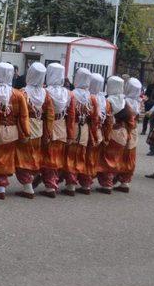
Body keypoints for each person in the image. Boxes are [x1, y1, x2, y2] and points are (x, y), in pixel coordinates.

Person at [0, 62, 31, 199]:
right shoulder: (17, 94)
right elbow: (23, 116)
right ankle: (25, 186)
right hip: (12, 132)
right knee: (8, 158)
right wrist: (26, 132)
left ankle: (0, 188)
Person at [14, 62, 54, 199]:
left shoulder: (22, 93)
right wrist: (48, 132)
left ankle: (28, 187)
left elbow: (17, 113)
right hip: (39, 128)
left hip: (24, 127)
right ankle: (34, 178)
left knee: (22, 157)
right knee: (35, 155)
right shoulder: (45, 94)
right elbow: (50, 115)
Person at [40, 63, 76, 198]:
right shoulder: (69, 94)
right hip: (62, 127)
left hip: (47, 127)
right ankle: (57, 182)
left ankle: (50, 186)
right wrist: (70, 134)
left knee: (47, 157)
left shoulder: (45, 92)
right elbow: (71, 116)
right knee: (58, 157)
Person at [63, 68, 100, 195]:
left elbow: (69, 116)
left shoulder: (71, 94)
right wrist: (94, 135)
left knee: (70, 156)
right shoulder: (92, 98)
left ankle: (71, 184)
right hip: (85, 129)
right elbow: (95, 119)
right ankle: (85, 185)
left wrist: (68, 132)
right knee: (81, 156)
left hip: (73, 127)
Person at [97, 76, 137, 194]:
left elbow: (104, 118)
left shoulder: (107, 101)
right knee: (117, 157)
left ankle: (107, 184)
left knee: (107, 158)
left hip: (110, 132)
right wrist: (128, 133)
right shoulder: (125, 102)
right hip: (123, 133)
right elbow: (131, 121)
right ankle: (123, 182)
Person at [86, 73, 113, 190]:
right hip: (100, 132)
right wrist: (106, 136)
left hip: (88, 131)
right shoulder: (105, 101)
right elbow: (109, 120)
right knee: (96, 157)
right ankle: (90, 180)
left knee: (87, 157)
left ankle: (86, 183)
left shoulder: (87, 97)